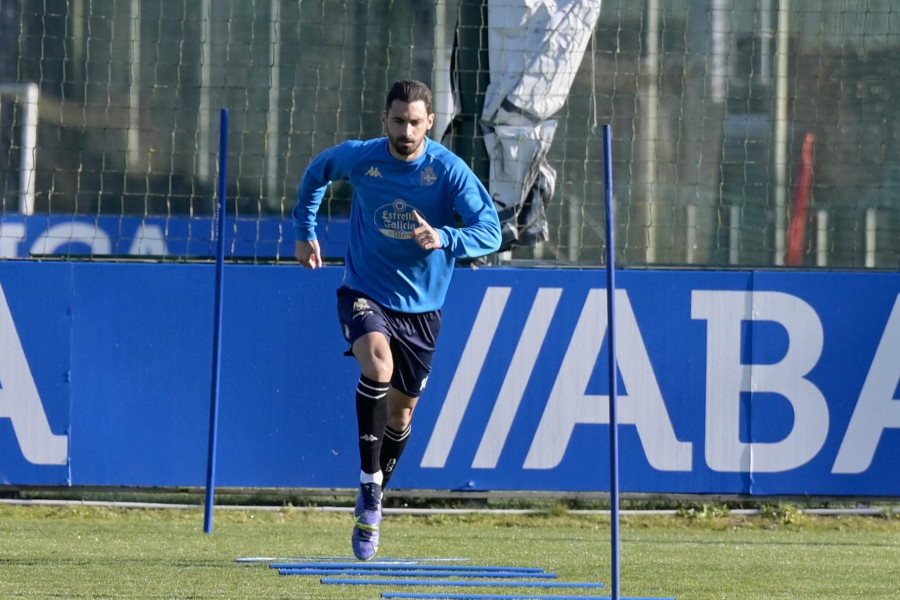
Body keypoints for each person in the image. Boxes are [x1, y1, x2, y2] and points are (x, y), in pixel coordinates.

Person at [293, 80, 501, 561]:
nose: (405, 130)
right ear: (383, 119)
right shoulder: (362, 157)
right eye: (397, 120)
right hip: (365, 290)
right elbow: (318, 171)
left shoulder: (448, 171)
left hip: (423, 311)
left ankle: (374, 504)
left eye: (415, 121)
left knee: (402, 413)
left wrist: (446, 238)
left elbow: (490, 229)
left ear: (430, 122)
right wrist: (305, 232)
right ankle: (368, 482)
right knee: (377, 366)